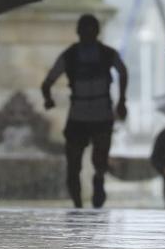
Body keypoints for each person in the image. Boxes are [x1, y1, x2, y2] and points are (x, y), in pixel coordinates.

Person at [40, 14, 128, 208]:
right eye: (85, 30)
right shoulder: (97, 54)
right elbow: (122, 72)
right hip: (90, 113)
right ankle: (82, 198)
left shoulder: (78, 54)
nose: (87, 34)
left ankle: (91, 189)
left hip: (93, 113)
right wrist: (121, 101)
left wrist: (48, 99)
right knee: (76, 164)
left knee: (89, 161)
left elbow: (47, 82)